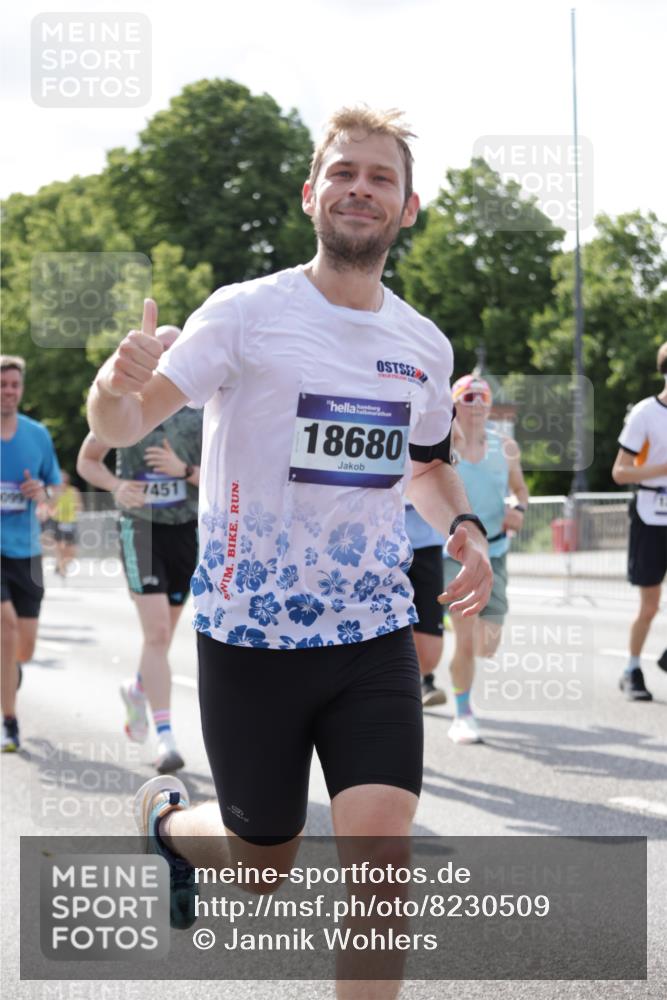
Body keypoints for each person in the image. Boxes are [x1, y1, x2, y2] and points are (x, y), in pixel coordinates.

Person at [87, 107, 492, 996]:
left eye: (380, 177)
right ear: (312, 193)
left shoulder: (423, 345)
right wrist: (108, 389)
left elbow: (422, 464)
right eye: (344, 172)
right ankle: (167, 826)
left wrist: (463, 528)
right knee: (261, 862)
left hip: (372, 632)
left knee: (381, 860)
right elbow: (127, 419)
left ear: (407, 207)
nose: (360, 187)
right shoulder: (245, 313)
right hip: (251, 638)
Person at [77, 325, 202, 773]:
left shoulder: (199, 411)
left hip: (183, 530)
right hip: (141, 531)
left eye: (174, 349)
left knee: (162, 637)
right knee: (159, 636)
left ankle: (136, 688)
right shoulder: (130, 408)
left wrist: (183, 469)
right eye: (161, 349)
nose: (166, 357)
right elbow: (87, 459)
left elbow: (223, 480)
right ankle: (165, 736)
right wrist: (116, 485)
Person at [443, 374, 529, 745]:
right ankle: (463, 714)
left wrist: (519, 509)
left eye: (483, 398)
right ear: (455, 403)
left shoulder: (505, 447)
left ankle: (464, 633)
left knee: (487, 644)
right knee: (464, 640)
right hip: (458, 552)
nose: (476, 403)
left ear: (490, 405)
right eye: (468, 397)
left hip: (496, 549)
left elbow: (520, 490)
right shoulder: (443, 446)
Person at [1, 355, 61, 751]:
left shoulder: (37, 435)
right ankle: (10, 721)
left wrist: (42, 495)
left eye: (14, 385)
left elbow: (56, 493)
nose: (8, 392)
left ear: (21, 389)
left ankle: (9, 672)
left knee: (24, 646)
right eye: (2, 385)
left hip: (27, 552)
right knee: (5, 628)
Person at [611, 341, 667, 701]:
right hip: (651, 514)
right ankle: (632, 668)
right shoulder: (646, 413)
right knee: (649, 605)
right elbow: (619, 472)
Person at [52, 471, 82, 576]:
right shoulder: (55, 491)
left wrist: (77, 510)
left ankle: (61, 565)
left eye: (64, 479)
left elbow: (79, 506)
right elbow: (49, 505)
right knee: (60, 548)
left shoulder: (73, 491)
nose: (62, 482)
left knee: (72, 551)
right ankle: (61, 569)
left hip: (71, 522)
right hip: (58, 522)